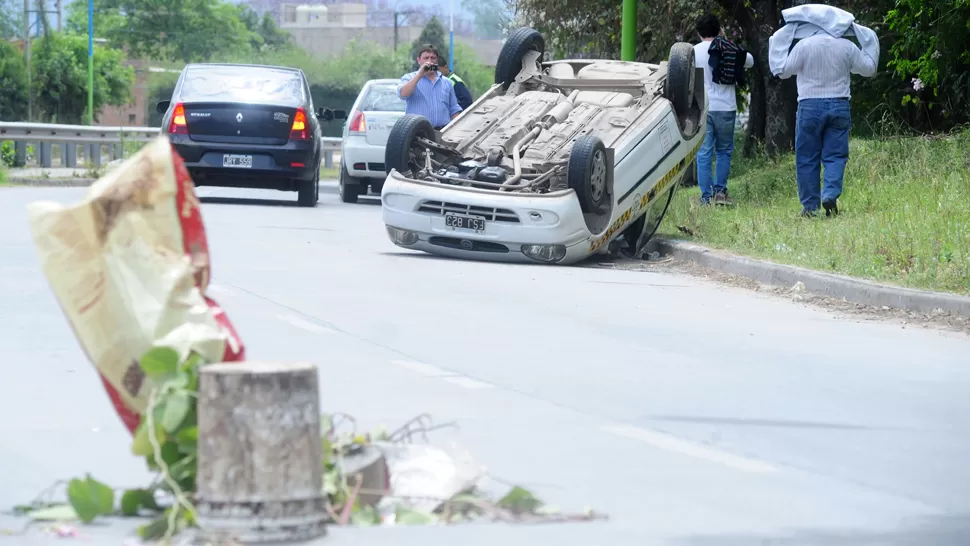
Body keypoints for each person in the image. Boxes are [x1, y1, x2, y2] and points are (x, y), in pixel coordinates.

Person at [771, 5, 879, 217]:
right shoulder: (847, 46)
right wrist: (866, 37)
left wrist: (782, 38)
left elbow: (782, 71)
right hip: (839, 105)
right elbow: (868, 69)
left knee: (807, 157)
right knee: (836, 155)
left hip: (809, 107)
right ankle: (829, 193)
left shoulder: (804, 46)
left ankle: (810, 208)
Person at [693, 14, 754, 206]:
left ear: (698, 32)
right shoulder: (728, 48)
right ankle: (720, 192)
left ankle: (705, 197)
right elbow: (750, 61)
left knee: (703, 152)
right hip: (726, 107)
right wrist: (726, 39)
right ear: (719, 29)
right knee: (724, 151)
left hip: (703, 107)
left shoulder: (692, 52)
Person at [397, 44, 462, 130]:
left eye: (433, 58)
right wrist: (420, 75)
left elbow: (454, 109)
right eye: (426, 58)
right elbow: (402, 94)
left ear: (437, 60)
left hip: (442, 131)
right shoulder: (409, 78)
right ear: (419, 60)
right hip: (418, 132)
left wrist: (455, 130)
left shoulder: (447, 82)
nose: (429, 61)